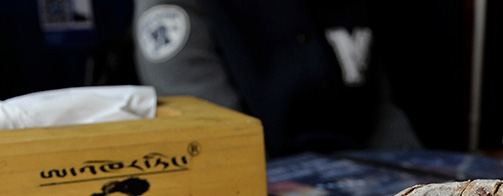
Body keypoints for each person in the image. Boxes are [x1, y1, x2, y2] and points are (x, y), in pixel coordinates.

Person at [133, 0, 422, 157]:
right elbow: (214, 139)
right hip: (262, 189)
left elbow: (379, 109)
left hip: (361, 179)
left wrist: (419, 186)